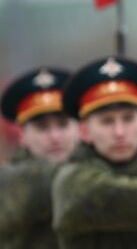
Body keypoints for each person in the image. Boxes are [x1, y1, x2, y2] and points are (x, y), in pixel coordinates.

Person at [51, 56, 137, 249]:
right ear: (84, 131)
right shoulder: (72, 181)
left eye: (128, 119)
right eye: (107, 121)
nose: (119, 132)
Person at [0, 68, 79, 249]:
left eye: (63, 124)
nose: (54, 136)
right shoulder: (9, 179)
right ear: (22, 134)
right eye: (42, 128)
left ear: (80, 128)